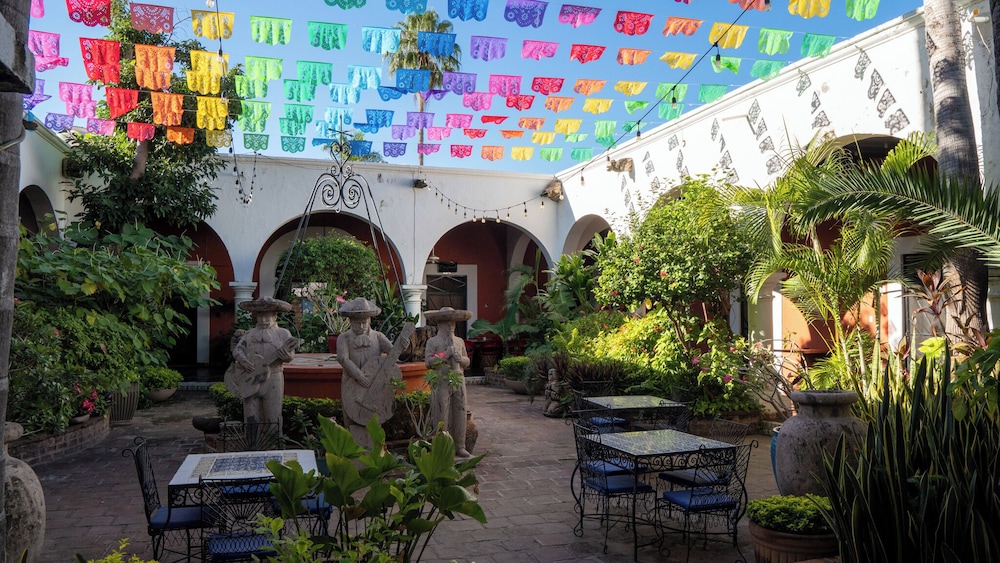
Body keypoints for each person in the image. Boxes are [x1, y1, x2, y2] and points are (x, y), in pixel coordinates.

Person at [226, 296, 299, 438]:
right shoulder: (249, 334)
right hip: (250, 378)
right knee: (251, 414)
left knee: (273, 414)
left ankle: (273, 444)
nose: (264, 319)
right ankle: (252, 443)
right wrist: (243, 361)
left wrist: (286, 356)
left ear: (274, 316)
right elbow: (238, 350)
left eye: (267, 315)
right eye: (260, 315)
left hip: (274, 377)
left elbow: (290, 356)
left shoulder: (283, 334)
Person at [336, 297, 394, 446]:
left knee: (374, 417)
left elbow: (393, 354)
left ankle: (376, 450)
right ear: (350, 321)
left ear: (370, 321)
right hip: (351, 382)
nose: (361, 326)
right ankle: (353, 450)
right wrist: (358, 375)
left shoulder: (378, 337)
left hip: (373, 384)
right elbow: (343, 358)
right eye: (357, 323)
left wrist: (402, 346)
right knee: (351, 415)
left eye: (364, 322)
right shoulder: (344, 338)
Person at [423, 307, 473, 458]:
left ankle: (460, 446)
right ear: (439, 324)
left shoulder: (459, 341)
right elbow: (428, 362)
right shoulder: (433, 342)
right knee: (441, 414)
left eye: (453, 323)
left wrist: (461, 359)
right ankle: (442, 447)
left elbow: (467, 361)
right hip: (441, 381)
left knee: (460, 411)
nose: (451, 326)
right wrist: (445, 354)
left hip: (458, 379)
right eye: (447, 323)